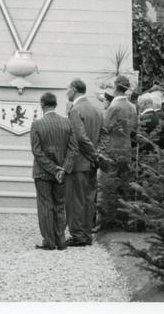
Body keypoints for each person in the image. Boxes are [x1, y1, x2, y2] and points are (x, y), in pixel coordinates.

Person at [30, 92, 76, 251]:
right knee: (60, 205)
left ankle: (49, 241)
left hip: (43, 172)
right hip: (62, 173)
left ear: (42, 105)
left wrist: (53, 168)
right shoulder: (67, 123)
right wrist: (63, 169)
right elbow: (73, 149)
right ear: (56, 104)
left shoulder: (37, 124)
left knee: (45, 205)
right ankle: (61, 240)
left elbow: (36, 151)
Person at [64, 78, 103, 247]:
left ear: (74, 90)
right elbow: (103, 134)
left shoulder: (75, 110)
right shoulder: (96, 109)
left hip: (79, 161)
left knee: (76, 200)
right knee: (89, 199)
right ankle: (87, 233)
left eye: (68, 89)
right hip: (92, 163)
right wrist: (97, 154)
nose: (67, 92)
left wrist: (93, 154)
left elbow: (80, 137)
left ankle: (79, 235)